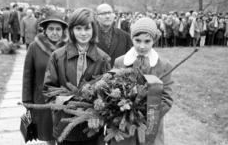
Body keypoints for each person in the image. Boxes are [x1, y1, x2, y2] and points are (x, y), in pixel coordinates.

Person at [43, 8, 111, 145]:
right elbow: (48, 90)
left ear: (93, 29)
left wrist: (98, 113)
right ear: (71, 30)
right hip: (65, 128)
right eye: (78, 28)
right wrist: (71, 103)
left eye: (87, 28)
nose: (83, 33)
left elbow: (108, 94)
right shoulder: (57, 56)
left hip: (92, 129)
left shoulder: (102, 58)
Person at [113, 17, 173, 145]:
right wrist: (124, 113)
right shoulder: (120, 62)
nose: (142, 46)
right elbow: (114, 91)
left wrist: (145, 115)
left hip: (151, 126)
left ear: (154, 40)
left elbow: (167, 98)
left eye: (147, 41)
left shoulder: (163, 65)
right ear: (132, 39)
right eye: (137, 40)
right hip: (125, 126)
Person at [22, 12, 68, 145]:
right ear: (45, 31)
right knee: (48, 134)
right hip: (42, 99)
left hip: (65, 99)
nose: (54, 32)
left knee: (65, 134)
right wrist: (27, 100)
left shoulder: (69, 47)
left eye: (58, 29)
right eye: (51, 29)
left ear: (63, 31)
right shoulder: (34, 47)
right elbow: (27, 75)